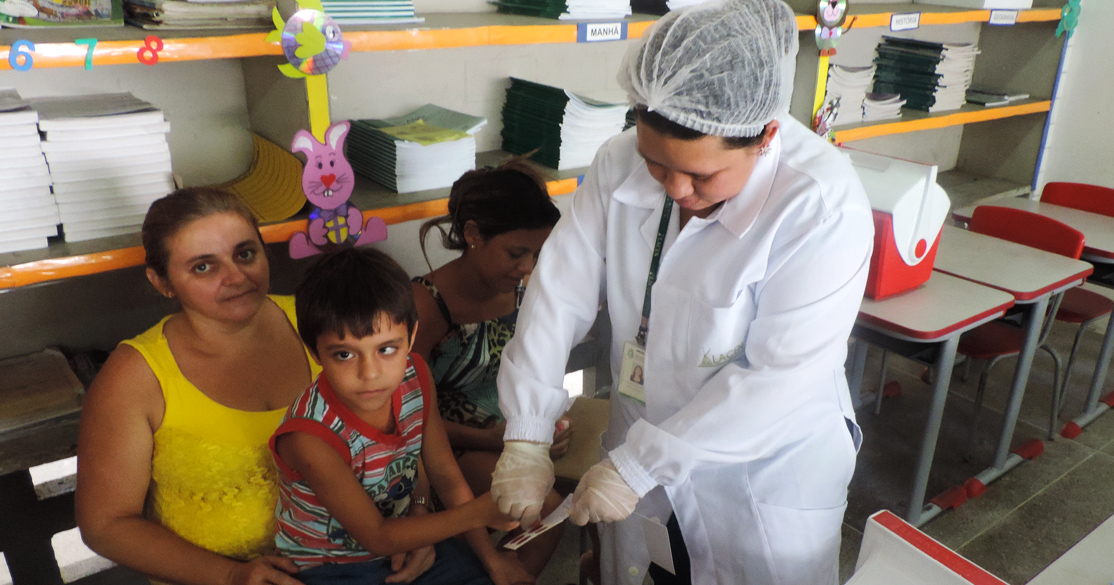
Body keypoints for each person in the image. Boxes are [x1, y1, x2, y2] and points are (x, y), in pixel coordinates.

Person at [488, 0, 874, 583]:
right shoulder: (619, 161)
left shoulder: (820, 204)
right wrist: (526, 433)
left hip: (761, 469)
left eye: (701, 175)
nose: (675, 189)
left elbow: (781, 376)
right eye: (656, 164)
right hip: (638, 439)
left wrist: (640, 467)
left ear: (766, 135)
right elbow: (557, 293)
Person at [76, 187, 322, 585]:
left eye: (245, 254)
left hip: (349, 560)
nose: (237, 277)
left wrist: (415, 512)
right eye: (203, 267)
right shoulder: (135, 376)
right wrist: (231, 575)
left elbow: (400, 423)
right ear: (163, 283)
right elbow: (105, 523)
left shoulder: (320, 320)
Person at [273, 248, 529, 585]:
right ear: (314, 351)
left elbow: (445, 474)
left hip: (405, 534)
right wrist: (477, 513)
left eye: (386, 349)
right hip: (330, 566)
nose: (370, 373)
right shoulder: (309, 435)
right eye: (345, 354)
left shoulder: (416, 375)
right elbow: (378, 537)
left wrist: (492, 560)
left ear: (411, 337)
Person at [410, 160, 568, 576]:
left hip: (506, 436)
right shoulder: (425, 306)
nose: (528, 268)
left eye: (537, 254)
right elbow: (412, 417)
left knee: (571, 506)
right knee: (541, 509)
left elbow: (533, 366)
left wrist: (543, 424)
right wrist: (497, 440)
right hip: (447, 446)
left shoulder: (521, 290)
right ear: (474, 235)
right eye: (517, 253)